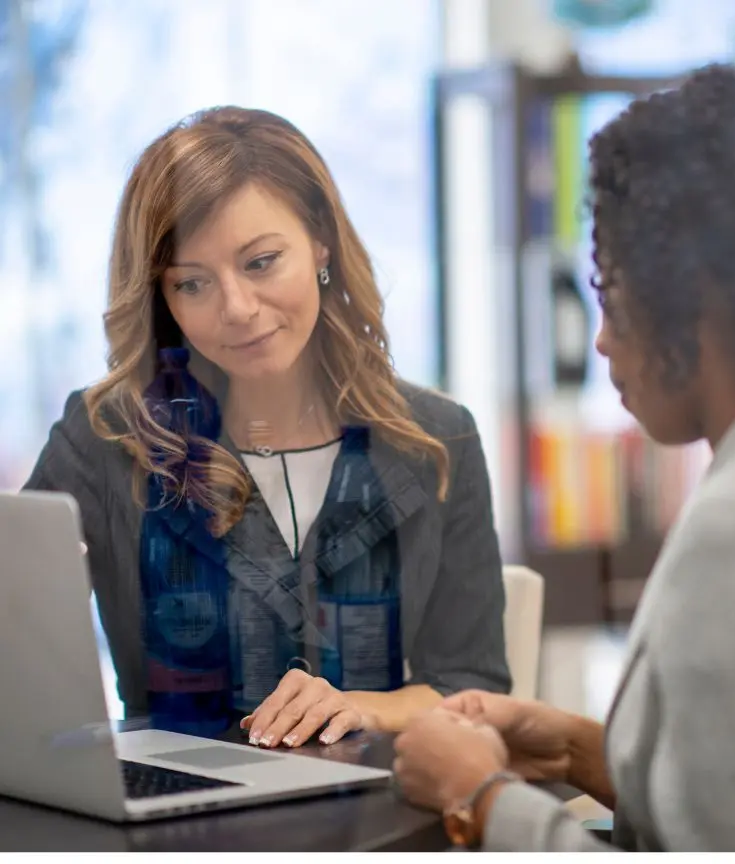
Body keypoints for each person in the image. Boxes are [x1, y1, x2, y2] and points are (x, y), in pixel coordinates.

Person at [392, 64, 735, 851]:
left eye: (610, 292)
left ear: (698, 300)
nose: (602, 339)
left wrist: (478, 794)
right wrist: (576, 748)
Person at [25, 106, 510, 747]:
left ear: (320, 243)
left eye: (260, 262)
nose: (237, 308)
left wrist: (359, 707)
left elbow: (472, 687)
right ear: (161, 299)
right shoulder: (105, 439)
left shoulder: (436, 439)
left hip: (375, 800)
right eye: (192, 284)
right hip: (179, 803)